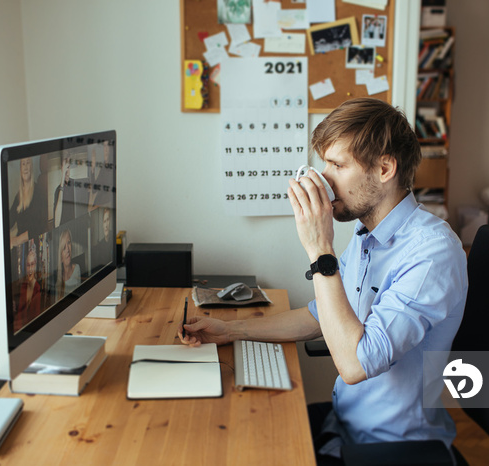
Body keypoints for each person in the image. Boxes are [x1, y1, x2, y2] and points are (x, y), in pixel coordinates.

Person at [178, 98, 468, 463]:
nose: (323, 179)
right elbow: (321, 315)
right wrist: (231, 331)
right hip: (344, 424)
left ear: (384, 168)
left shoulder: (431, 253)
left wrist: (320, 249)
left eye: (337, 165)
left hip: (390, 449)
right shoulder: (368, 234)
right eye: (323, 163)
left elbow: (354, 365)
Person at [9, 157, 46, 248]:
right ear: (20, 169)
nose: (25, 167)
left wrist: (17, 240)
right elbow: (10, 220)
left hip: (33, 245)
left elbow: (38, 227)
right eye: (23, 164)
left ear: (31, 167)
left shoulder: (38, 192)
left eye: (28, 163)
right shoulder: (18, 196)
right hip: (20, 246)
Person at [15, 240, 42, 332]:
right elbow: (19, 315)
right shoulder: (23, 287)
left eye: (32, 264)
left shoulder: (38, 288)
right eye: (28, 265)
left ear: (35, 265)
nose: (30, 269)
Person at [53, 151, 77, 227]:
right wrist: (62, 177)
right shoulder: (57, 190)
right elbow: (56, 224)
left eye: (68, 167)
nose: (67, 171)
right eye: (65, 168)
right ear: (61, 168)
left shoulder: (76, 184)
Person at [56, 228, 80, 300]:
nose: (67, 250)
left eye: (69, 243)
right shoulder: (58, 278)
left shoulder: (77, 269)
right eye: (64, 247)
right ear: (61, 256)